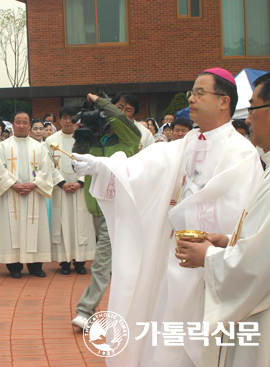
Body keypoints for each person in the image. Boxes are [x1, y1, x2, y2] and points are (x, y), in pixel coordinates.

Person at [72, 68, 263, 367]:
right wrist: (101, 166)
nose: (191, 99)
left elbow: (236, 213)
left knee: (200, 343)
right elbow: (145, 168)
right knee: (167, 339)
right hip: (174, 260)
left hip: (208, 265)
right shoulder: (189, 143)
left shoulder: (241, 153)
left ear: (224, 101)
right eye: (191, 92)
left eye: (200, 92)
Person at [176, 72, 270, 367]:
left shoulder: (243, 153)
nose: (248, 119)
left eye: (252, 108)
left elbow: (259, 264)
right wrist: (230, 241)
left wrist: (210, 256)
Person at [70, 91, 141, 331]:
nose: (119, 113)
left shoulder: (129, 139)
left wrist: (102, 102)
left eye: (126, 109)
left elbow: (119, 119)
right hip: (96, 210)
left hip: (120, 212)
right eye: (116, 108)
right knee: (116, 263)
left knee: (101, 262)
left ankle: (85, 310)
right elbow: (76, 163)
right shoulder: (94, 138)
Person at [0, 111, 54, 278]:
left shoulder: (39, 147)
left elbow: (46, 169)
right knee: (13, 228)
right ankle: (15, 267)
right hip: (11, 194)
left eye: (25, 122)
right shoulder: (3, 147)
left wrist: (34, 184)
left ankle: (36, 266)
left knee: (35, 228)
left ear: (29, 125)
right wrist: (14, 186)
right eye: (18, 122)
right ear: (12, 125)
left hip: (34, 194)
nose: (21, 125)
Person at [45, 106, 96, 275]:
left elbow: (92, 161)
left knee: (81, 223)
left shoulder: (85, 138)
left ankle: (80, 261)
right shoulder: (51, 140)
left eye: (72, 118)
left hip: (81, 189)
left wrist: (81, 182)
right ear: (59, 120)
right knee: (62, 223)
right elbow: (47, 165)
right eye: (65, 118)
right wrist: (61, 183)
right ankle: (64, 261)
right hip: (61, 190)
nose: (68, 121)